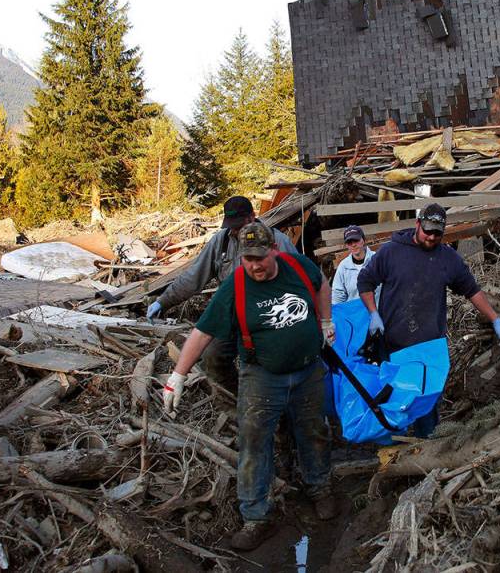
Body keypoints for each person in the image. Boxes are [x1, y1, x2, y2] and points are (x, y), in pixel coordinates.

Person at [162, 222, 337, 550]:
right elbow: (202, 333)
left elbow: (321, 283)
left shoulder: (298, 266)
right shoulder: (236, 286)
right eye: (247, 259)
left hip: (308, 372)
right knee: (254, 443)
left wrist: (325, 320)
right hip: (261, 378)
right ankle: (256, 516)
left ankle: (319, 488)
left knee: (314, 431)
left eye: (260, 257)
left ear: (274, 250)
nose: (254, 265)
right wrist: (178, 376)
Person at [356, 203, 500, 437]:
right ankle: (394, 444)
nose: (431, 237)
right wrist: (373, 313)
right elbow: (365, 282)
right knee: (395, 399)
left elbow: (472, 290)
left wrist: (495, 319)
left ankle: (426, 446)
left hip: (428, 346)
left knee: (425, 402)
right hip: (394, 344)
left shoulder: (447, 258)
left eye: (438, 233)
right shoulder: (392, 252)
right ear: (417, 224)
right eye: (427, 230)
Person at [147, 195, 298, 392]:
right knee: (212, 356)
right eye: (231, 225)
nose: (234, 230)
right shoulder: (222, 241)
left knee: (262, 365)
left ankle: (273, 406)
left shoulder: (276, 240)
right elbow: (194, 276)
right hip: (232, 313)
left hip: (267, 314)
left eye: (239, 225)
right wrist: (163, 301)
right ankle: (234, 403)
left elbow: (302, 280)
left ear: (252, 217)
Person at [331, 225, 380, 304]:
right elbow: (337, 296)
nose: (353, 245)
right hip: (355, 314)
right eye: (349, 242)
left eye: (356, 240)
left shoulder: (377, 260)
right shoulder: (343, 267)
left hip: (379, 312)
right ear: (346, 245)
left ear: (363, 240)